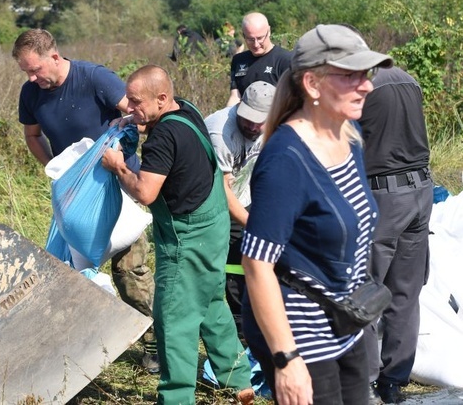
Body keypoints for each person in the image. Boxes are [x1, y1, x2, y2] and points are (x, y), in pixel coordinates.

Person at [241, 24, 393, 405]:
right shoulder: (286, 161)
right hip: (301, 337)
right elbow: (257, 264)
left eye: (366, 74)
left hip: (348, 324)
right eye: (351, 76)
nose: (367, 86)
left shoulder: (348, 135)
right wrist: (286, 360)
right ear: (312, 84)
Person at [101, 65, 254, 405]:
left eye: (136, 102)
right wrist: (132, 122)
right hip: (214, 227)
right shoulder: (187, 111)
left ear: (161, 98)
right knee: (212, 303)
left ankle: (176, 397)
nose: (129, 107)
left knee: (173, 317)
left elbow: (145, 193)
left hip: (187, 236)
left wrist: (118, 167)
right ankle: (239, 381)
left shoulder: (163, 139)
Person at [12, 29, 158, 372]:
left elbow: (134, 117)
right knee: (73, 273)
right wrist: (55, 169)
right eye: (26, 73)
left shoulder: (93, 78)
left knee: (128, 268)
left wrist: (120, 146)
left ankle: (153, 342)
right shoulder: (31, 93)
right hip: (75, 194)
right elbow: (32, 135)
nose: (32, 78)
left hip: (117, 183)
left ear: (54, 56)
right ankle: (91, 342)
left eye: (36, 70)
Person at [359, 66, 434, 404]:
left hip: (385, 195)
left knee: (365, 288)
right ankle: (394, 381)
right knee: (406, 292)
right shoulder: (410, 80)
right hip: (421, 190)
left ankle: (366, 380)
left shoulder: (367, 88)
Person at [205, 81, 276, 326]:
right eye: (248, 118)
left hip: (244, 196)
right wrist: (253, 224)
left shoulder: (276, 122)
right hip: (210, 205)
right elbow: (223, 191)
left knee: (245, 258)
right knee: (225, 266)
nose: (253, 126)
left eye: (260, 121)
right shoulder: (221, 132)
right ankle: (234, 325)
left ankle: (249, 321)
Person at [227, 12, 292, 106]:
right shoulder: (238, 60)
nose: (256, 44)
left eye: (260, 38)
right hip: (244, 117)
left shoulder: (285, 60)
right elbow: (235, 97)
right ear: (243, 35)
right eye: (250, 39)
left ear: (269, 31)